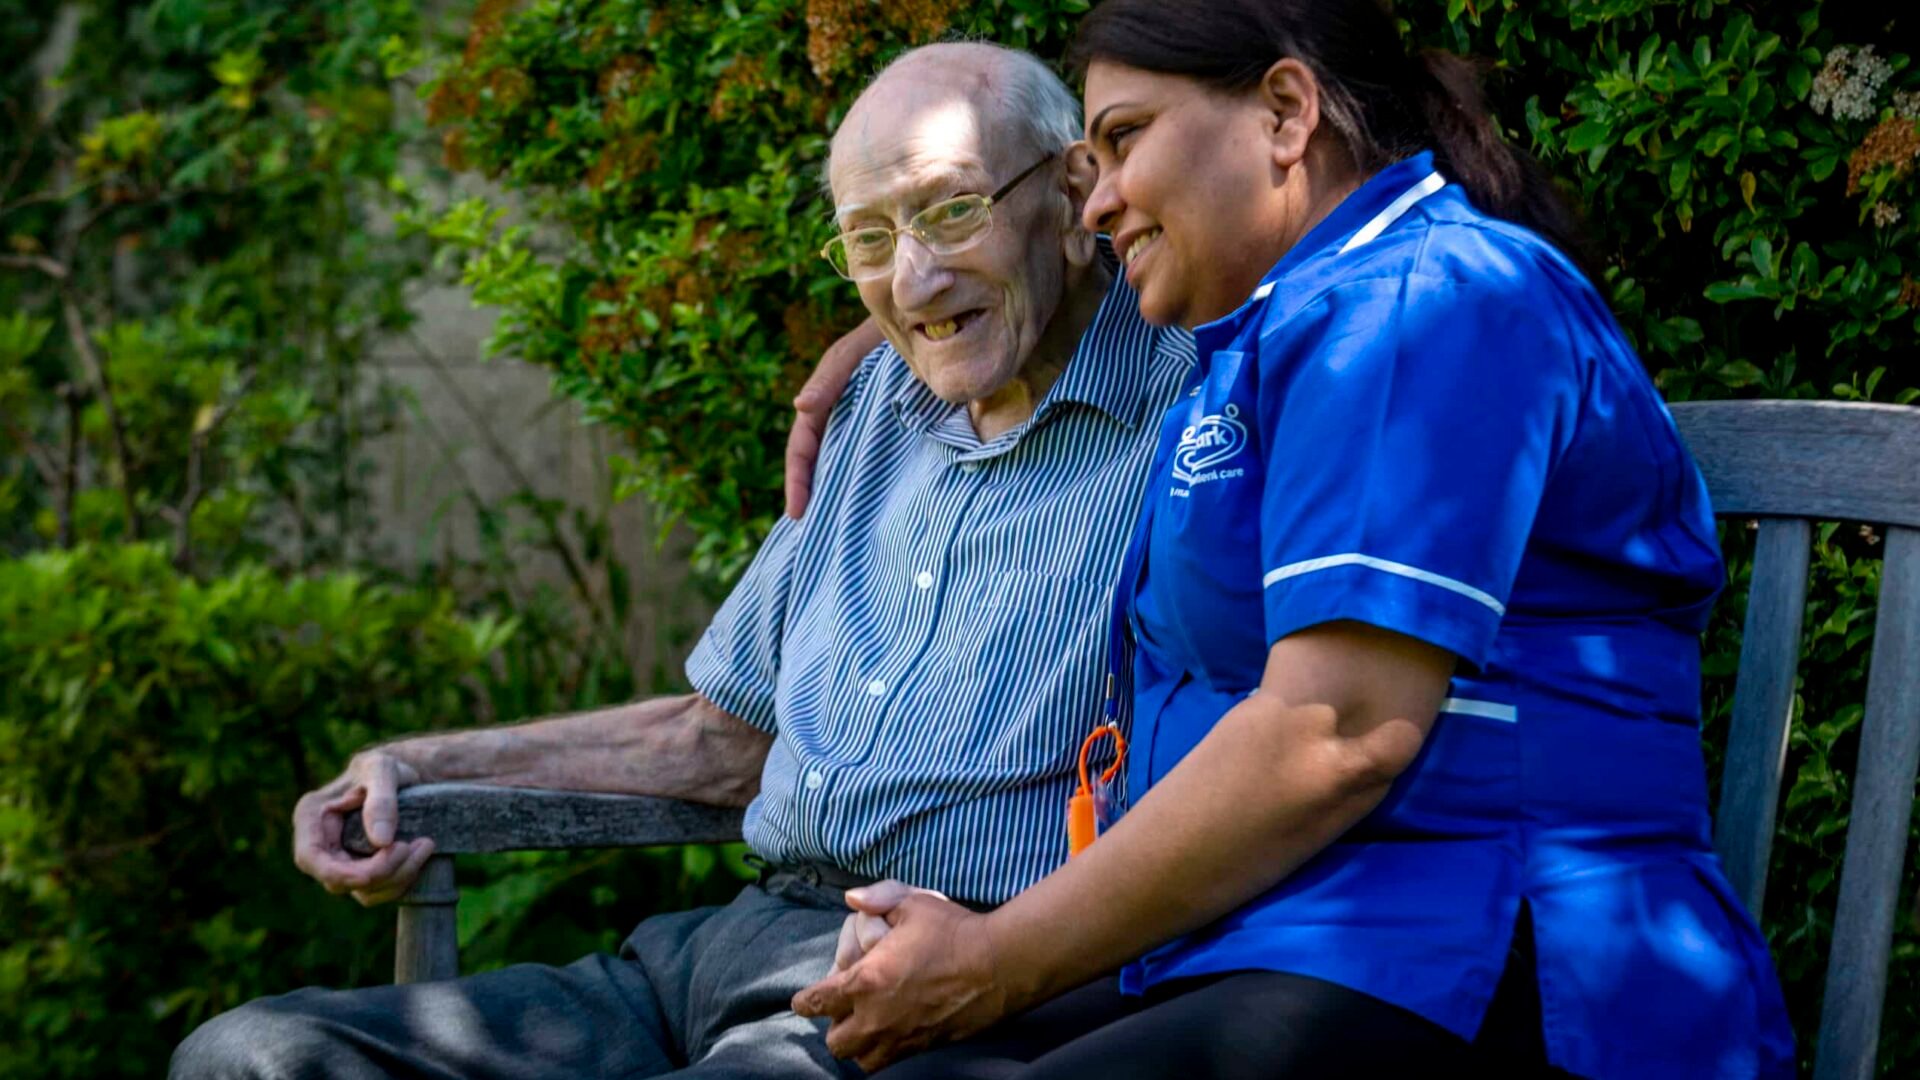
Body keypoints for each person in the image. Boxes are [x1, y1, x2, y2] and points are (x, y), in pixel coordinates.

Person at [788, 3, 1796, 1078]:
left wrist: (998, 956)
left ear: (1284, 112)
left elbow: (1339, 730)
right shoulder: (1264, 337)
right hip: (1288, 941)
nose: (1100, 204)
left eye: (1126, 140)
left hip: (1494, 961)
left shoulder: (1427, 304)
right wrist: (907, 305)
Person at [169, 40, 1194, 1080]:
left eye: (950, 211)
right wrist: (418, 766)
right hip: (720, 952)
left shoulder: (1198, 408)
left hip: (939, 974)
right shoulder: (874, 407)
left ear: (1074, 194)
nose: (914, 275)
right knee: (249, 1057)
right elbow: (720, 736)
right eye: (872, 237)